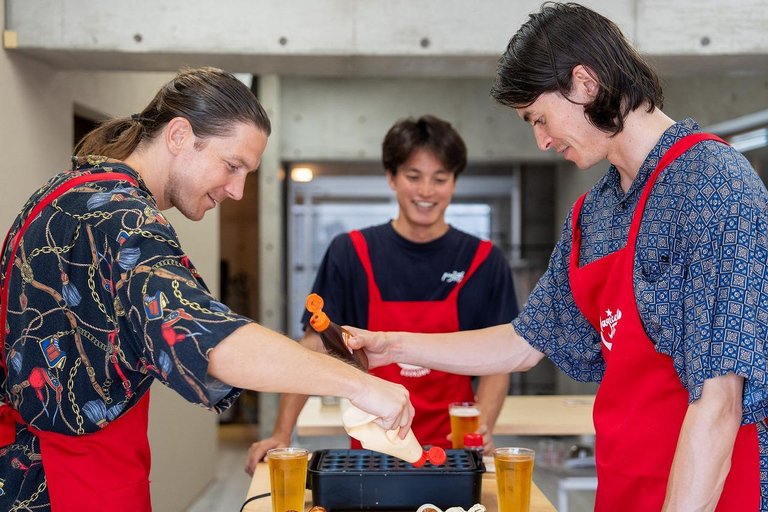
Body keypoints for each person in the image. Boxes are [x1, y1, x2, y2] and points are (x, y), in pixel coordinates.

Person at [347, 3, 768, 512]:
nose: (542, 140)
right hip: (623, 484)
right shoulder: (593, 215)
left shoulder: (714, 184)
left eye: (539, 118)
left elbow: (719, 401)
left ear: (585, 83)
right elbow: (525, 341)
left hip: (707, 492)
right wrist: (394, 346)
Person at [0, 67, 414, 511]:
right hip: (67, 482)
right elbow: (205, 339)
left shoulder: (66, 192)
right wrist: (358, 384)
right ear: (179, 136)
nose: (237, 190)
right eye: (231, 165)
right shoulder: (123, 218)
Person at [245, 115, 518, 473]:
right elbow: (314, 346)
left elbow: (499, 359)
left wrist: (482, 429)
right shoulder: (351, 252)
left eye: (440, 178)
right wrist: (282, 433)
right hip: (373, 452)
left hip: (454, 457)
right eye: (413, 176)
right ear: (391, 178)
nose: (426, 191)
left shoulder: (485, 261)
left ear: (454, 183)